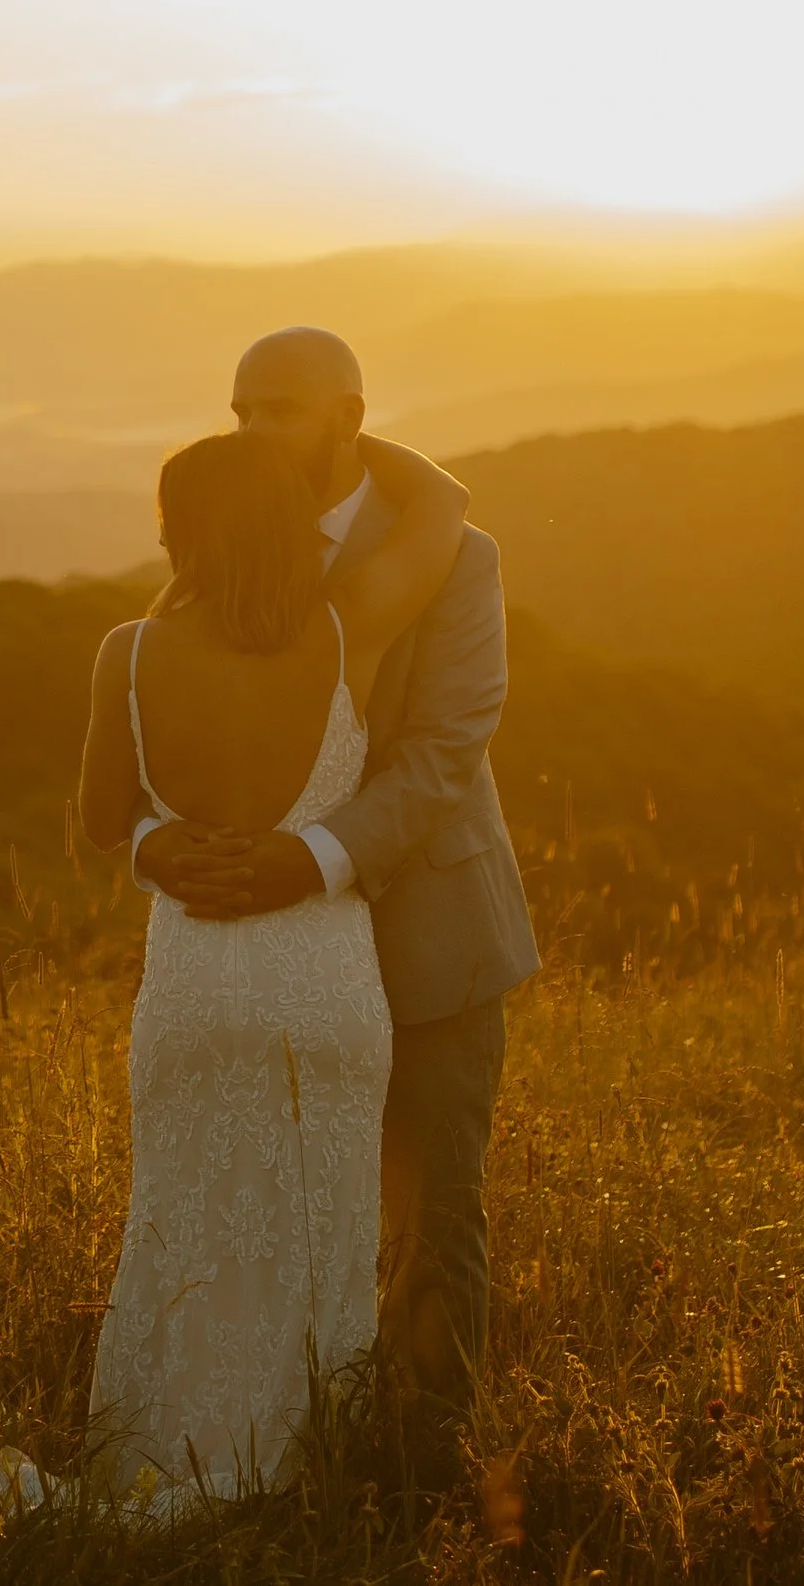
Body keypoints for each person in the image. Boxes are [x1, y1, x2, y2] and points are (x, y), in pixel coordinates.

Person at [136, 328, 540, 1473]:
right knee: (287, 1203)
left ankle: (417, 1469)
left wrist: (307, 857)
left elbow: (443, 751)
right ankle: (280, 1443)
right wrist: (174, 848)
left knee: (431, 1217)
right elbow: (179, 718)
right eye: (237, 410)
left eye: (278, 411)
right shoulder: (221, 550)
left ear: (348, 416)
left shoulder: (458, 559)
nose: (249, 433)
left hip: (427, 934)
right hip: (270, 947)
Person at [66, 418, 467, 1503]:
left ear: (176, 530)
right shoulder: (350, 629)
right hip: (321, 979)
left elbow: (102, 823)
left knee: (184, 1226)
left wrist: (163, 841)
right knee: (318, 1235)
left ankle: (167, 1461)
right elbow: (443, 504)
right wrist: (335, 423)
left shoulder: (128, 651)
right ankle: (297, 1476)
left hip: (195, 980)